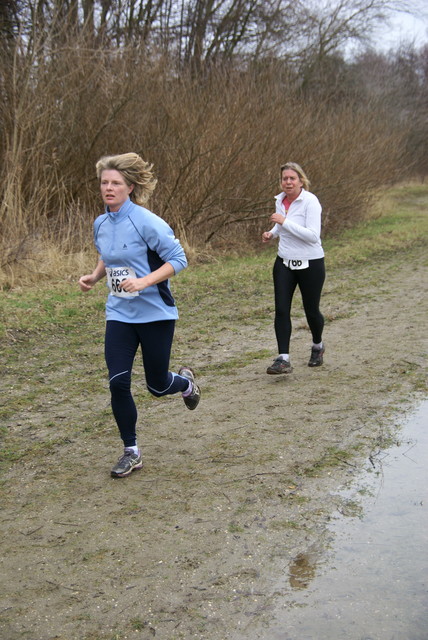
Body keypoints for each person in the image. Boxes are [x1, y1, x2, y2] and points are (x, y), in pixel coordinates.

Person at [79, 152, 200, 478]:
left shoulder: (147, 221)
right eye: (104, 182)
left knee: (157, 386)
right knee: (118, 383)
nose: (108, 188)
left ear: (130, 186)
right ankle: (131, 451)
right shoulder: (101, 223)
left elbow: (179, 259)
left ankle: (185, 384)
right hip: (119, 314)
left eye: (116, 183)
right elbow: (109, 256)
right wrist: (94, 276)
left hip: (155, 314)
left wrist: (144, 281)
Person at [262, 162, 325, 374]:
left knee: (311, 310)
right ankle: (283, 358)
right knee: (281, 310)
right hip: (285, 262)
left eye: (292, 178)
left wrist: (284, 222)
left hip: (311, 263)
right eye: (284, 178)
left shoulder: (310, 201)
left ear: (300, 180)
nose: (288, 182)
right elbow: (281, 225)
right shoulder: (280, 200)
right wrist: (273, 232)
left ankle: (317, 345)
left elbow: (312, 236)